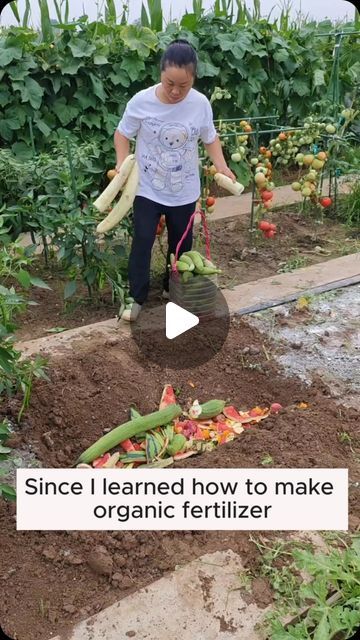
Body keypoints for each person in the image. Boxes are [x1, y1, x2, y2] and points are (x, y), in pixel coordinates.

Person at [114, 39, 235, 321]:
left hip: (184, 190)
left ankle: (174, 290)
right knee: (142, 240)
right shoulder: (141, 101)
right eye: (170, 83)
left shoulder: (200, 103)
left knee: (180, 247)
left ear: (193, 78)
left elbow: (210, 138)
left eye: (184, 85)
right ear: (161, 73)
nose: (175, 91)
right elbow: (122, 134)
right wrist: (122, 163)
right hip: (146, 188)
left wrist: (222, 166)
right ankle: (136, 297)